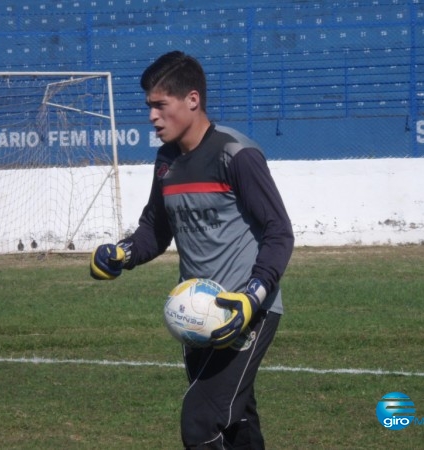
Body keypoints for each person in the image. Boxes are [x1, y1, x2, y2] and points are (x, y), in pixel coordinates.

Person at [90, 51, 294, 450]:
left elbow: (279, 232)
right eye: (149, 106)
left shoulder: (236, 154)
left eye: (160, 105)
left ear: (192, 100)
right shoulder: (166, 161)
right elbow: (155, 229)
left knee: (201, 421)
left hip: (245, 310)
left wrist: (252, 297)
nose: (152, 116)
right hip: (195, 318)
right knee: (236, 420)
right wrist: (122, 254)